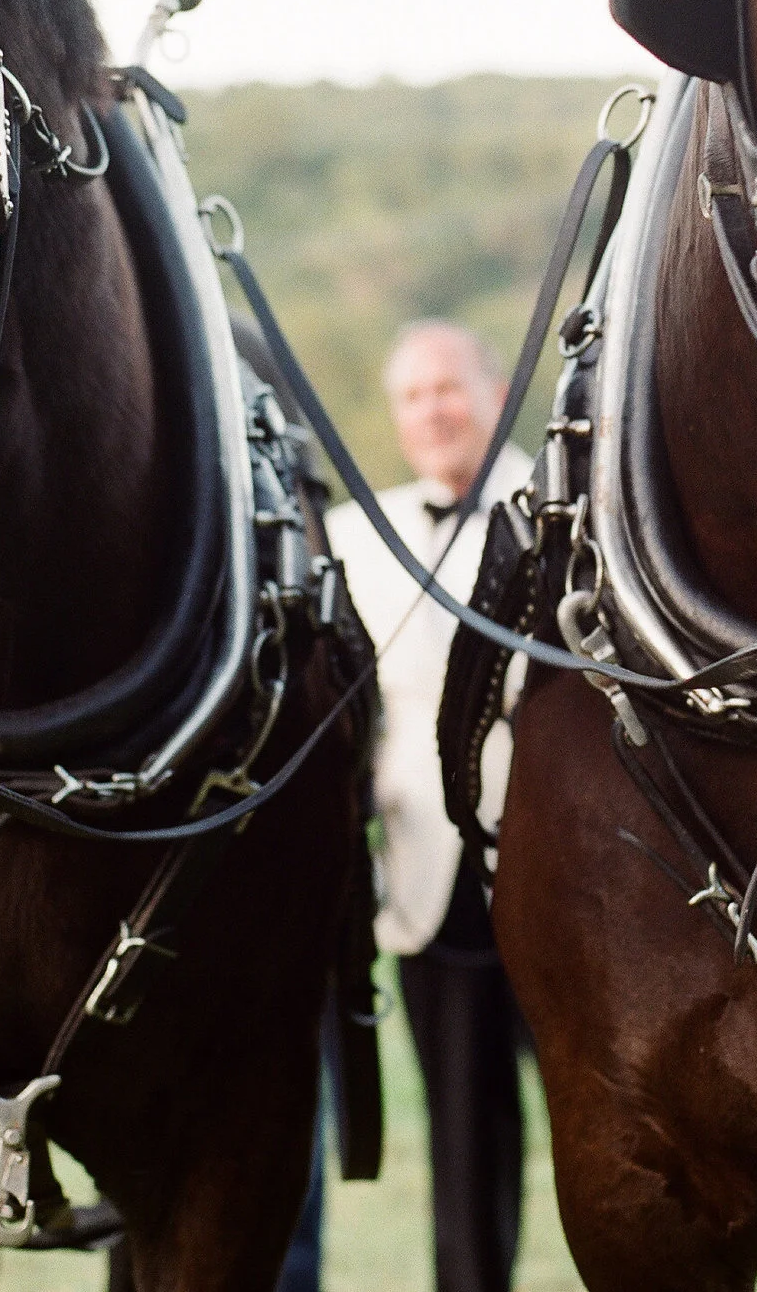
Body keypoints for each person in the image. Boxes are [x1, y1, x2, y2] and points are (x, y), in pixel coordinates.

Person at [325, 319, 535, 1292]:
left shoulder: (567, 503)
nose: (432, 411)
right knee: (462, 1127)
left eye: (447, 387)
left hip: (567, 858)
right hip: (425, 868)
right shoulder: (351, 536)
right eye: (412, 396)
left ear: (493, 395)